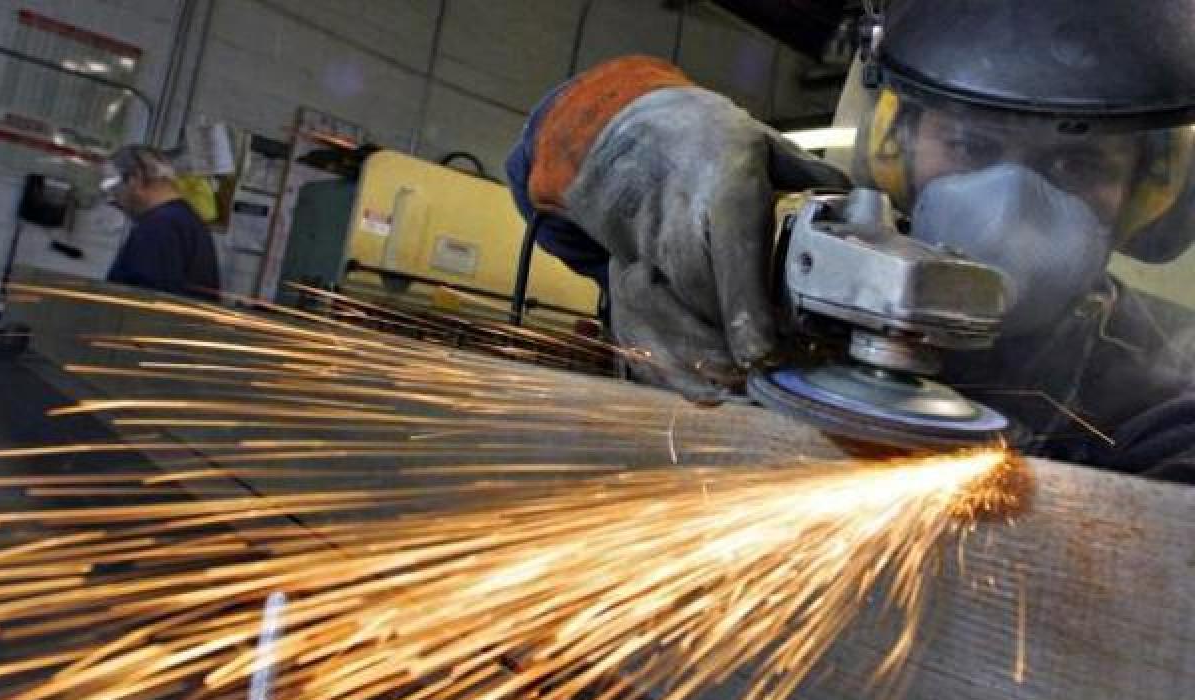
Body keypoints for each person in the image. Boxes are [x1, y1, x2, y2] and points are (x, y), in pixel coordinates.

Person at [507, 0, 1195, 482]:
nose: (1011, 205)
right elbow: (537, 167)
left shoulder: (1154, 396)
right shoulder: (789, 251)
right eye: (971, 143)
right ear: (897, 145)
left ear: (1150, 190)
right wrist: (633, 128)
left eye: (1075, 164)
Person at [102, 145, 221, 301]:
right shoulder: (186, 221)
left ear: (135, 179)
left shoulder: (158, 228)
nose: (113, 200)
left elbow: (145, 304)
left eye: (114, 189)